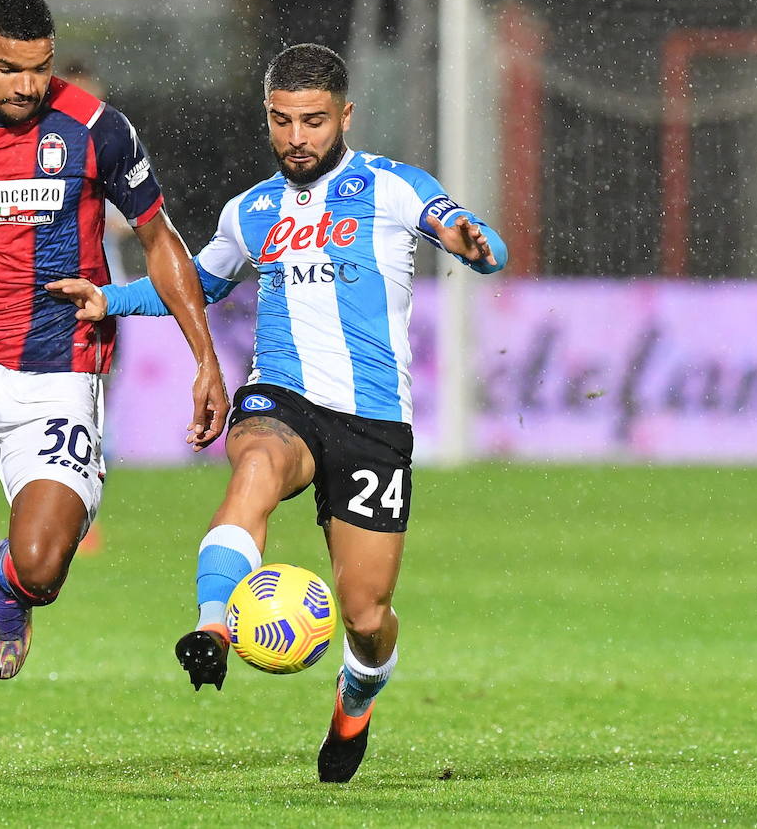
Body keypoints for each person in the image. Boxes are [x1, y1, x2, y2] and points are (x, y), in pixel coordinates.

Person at [49, 43, 507, 783]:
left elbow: (477, 240)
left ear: (345, 116)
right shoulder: (250, 210)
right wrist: (112, 299)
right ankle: (212, 624)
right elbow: (198, 282)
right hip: (280, 396)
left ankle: (356, 695)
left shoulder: (392, 188)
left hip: (372, 419)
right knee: (254, 465)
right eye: (283, 121)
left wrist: (476, 247)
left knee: (365, 614)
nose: (297, 137)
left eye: (314, 121)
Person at [0, 0, 228, 785]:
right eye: (8, 69)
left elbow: (160, 239)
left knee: (42, 567)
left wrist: (205, 357)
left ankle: (10, 582)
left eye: (38, 68)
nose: (27, 86)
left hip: (59, 375)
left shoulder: (98, 128)